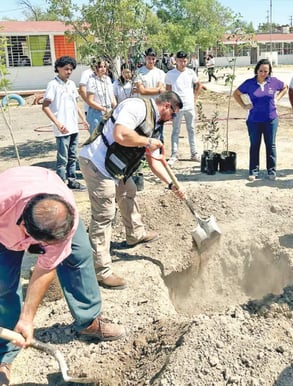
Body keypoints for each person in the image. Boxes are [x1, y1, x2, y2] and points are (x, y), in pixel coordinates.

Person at [0, 166, 125, 385]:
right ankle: (5, 352)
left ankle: (87, 320)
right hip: (5, 226)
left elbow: (46, 267)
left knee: (79, 255)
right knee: (3, 285)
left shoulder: (66, 218)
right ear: (27, 231)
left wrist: (28, 319)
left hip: (46, 201)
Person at [79, 92, 184, 290]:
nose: (173, 119)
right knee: (104, 215)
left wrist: (172, 184)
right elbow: (120, 134)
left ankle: (134, 233)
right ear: (167, 106)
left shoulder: (155, 124)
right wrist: (146, 142)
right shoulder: (137, 106)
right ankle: (101, 271)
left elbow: (155, 161)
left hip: (117, 168)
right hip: (96, 163)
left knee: (129, 190)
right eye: (174, 114)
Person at [233, 58, 288, 181]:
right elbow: (236, 93)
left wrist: (277, 99)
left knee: (271, 145)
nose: (263, 73)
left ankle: (271, 171)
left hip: (271, 119)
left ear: (269, 72)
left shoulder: (273, 82)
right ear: (257, 70)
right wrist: (244, 105)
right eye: (261, 71)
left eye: (266, 71)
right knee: (254, 145)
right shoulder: (249, 83)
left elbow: (285, 87)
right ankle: (253, 171)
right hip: (254, 120)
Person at [42, 56, 89, 191]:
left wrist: (83, 120)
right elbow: (45, 107)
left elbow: (76, 104)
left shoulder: (71, 84)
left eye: (70, 69)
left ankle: (72, 180)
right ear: (58, 68)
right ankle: (61, 183)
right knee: (63, 158)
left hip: (73, 127)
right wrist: (57, 124)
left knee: (73, 155)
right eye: (65, 69)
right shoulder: (53, 85)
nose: (68, 71)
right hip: (62, 128)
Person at [165, 50, 203, 165]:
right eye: (180, 61)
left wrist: (195, 97)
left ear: (188, 61)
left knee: (191, 129)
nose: (183, 63)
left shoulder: (191, 72)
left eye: (185, 60)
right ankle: (174, 154)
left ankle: (194, 153)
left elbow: (198, 84)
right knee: (175, 130)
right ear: (176, 61)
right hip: (177, 107)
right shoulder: (170, 74)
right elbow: (168, 90)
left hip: (189, 106)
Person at [136, 48, 167, 141]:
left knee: (158, 134)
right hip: (144, 107)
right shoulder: (139, 72)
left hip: (157, 107)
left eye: (153, 59)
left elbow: (161, 89)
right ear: (145, 58)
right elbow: (141, 91)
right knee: (143, 134)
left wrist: (147, 90)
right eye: (149, 58)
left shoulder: (160, 73)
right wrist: (157, 90)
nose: (151, 61)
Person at [85, 58, 117, 134]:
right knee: (96, 139)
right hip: (96, 113)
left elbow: (112, 97)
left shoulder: (108, 79)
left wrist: (116, 109)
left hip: (108, 112)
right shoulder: (92, 81)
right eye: (100, 67)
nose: (103, 69)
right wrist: (104, 109)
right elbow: (90, 101)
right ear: (95, 68)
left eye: (104, 66)